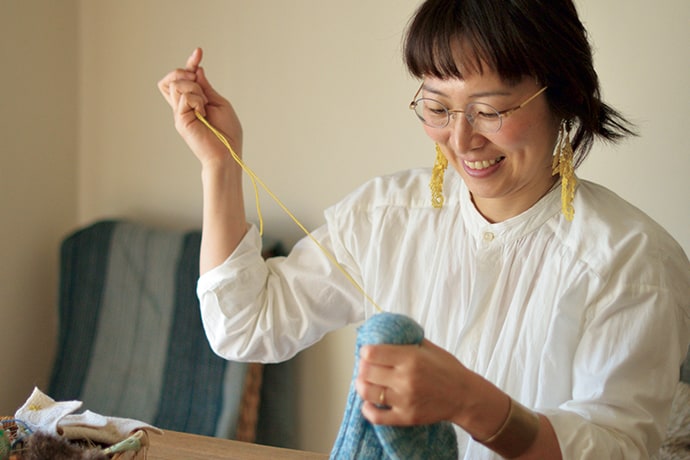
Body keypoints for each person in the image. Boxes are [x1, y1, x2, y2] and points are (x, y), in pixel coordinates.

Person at [157, 0, 690, 458]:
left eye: (490, 110)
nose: (460, 139)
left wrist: (474, 404)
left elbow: (616, 448)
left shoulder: (631, 263)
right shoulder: (388, 216)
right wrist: (219, 165)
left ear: (563, 96)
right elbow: (247, 326)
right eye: (437, 107)